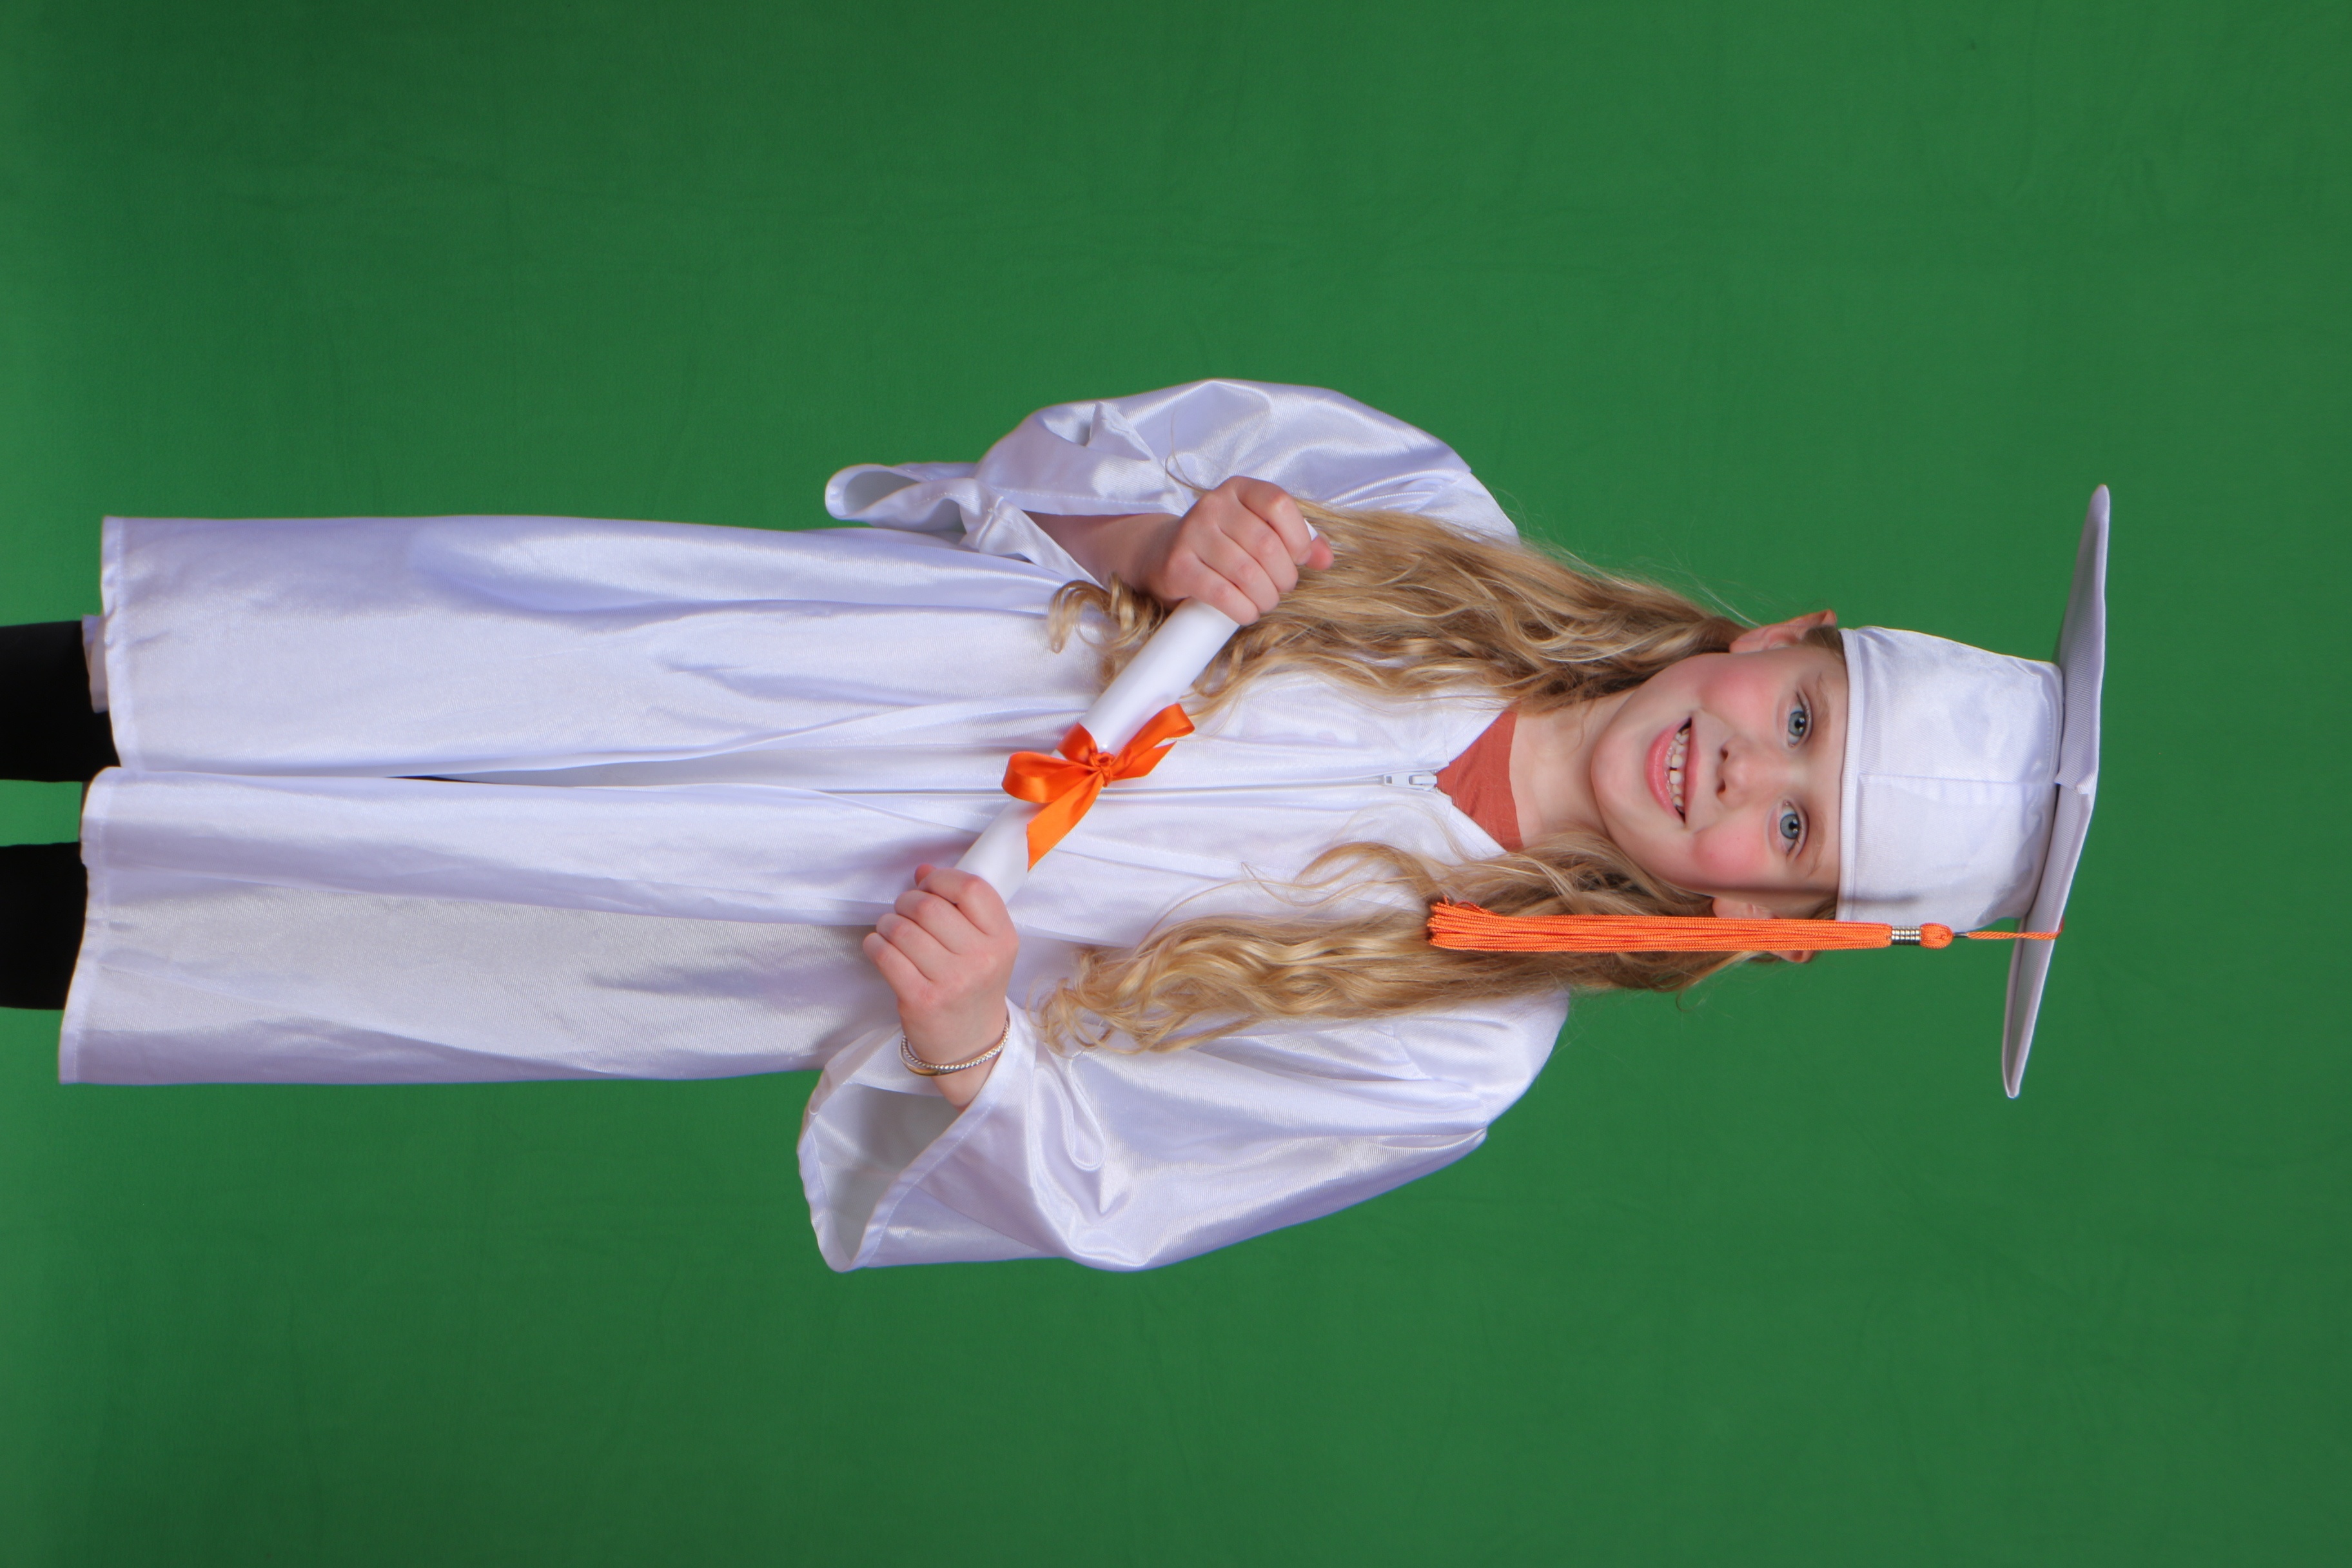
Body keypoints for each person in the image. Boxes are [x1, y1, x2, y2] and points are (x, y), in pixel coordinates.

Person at [0, 380, 2101, 1270]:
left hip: (716, 916)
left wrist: (969, 1035)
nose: (1742, 774)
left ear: (1769, 919)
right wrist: (1154, 539)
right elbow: (999, 487)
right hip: (716, 669)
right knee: (218, 680)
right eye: (1799, 719)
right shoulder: (1413, 515)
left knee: (244, 910)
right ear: (1776, 636)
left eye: (1795, 831)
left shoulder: (1454, 1043)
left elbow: (1104, 1188)